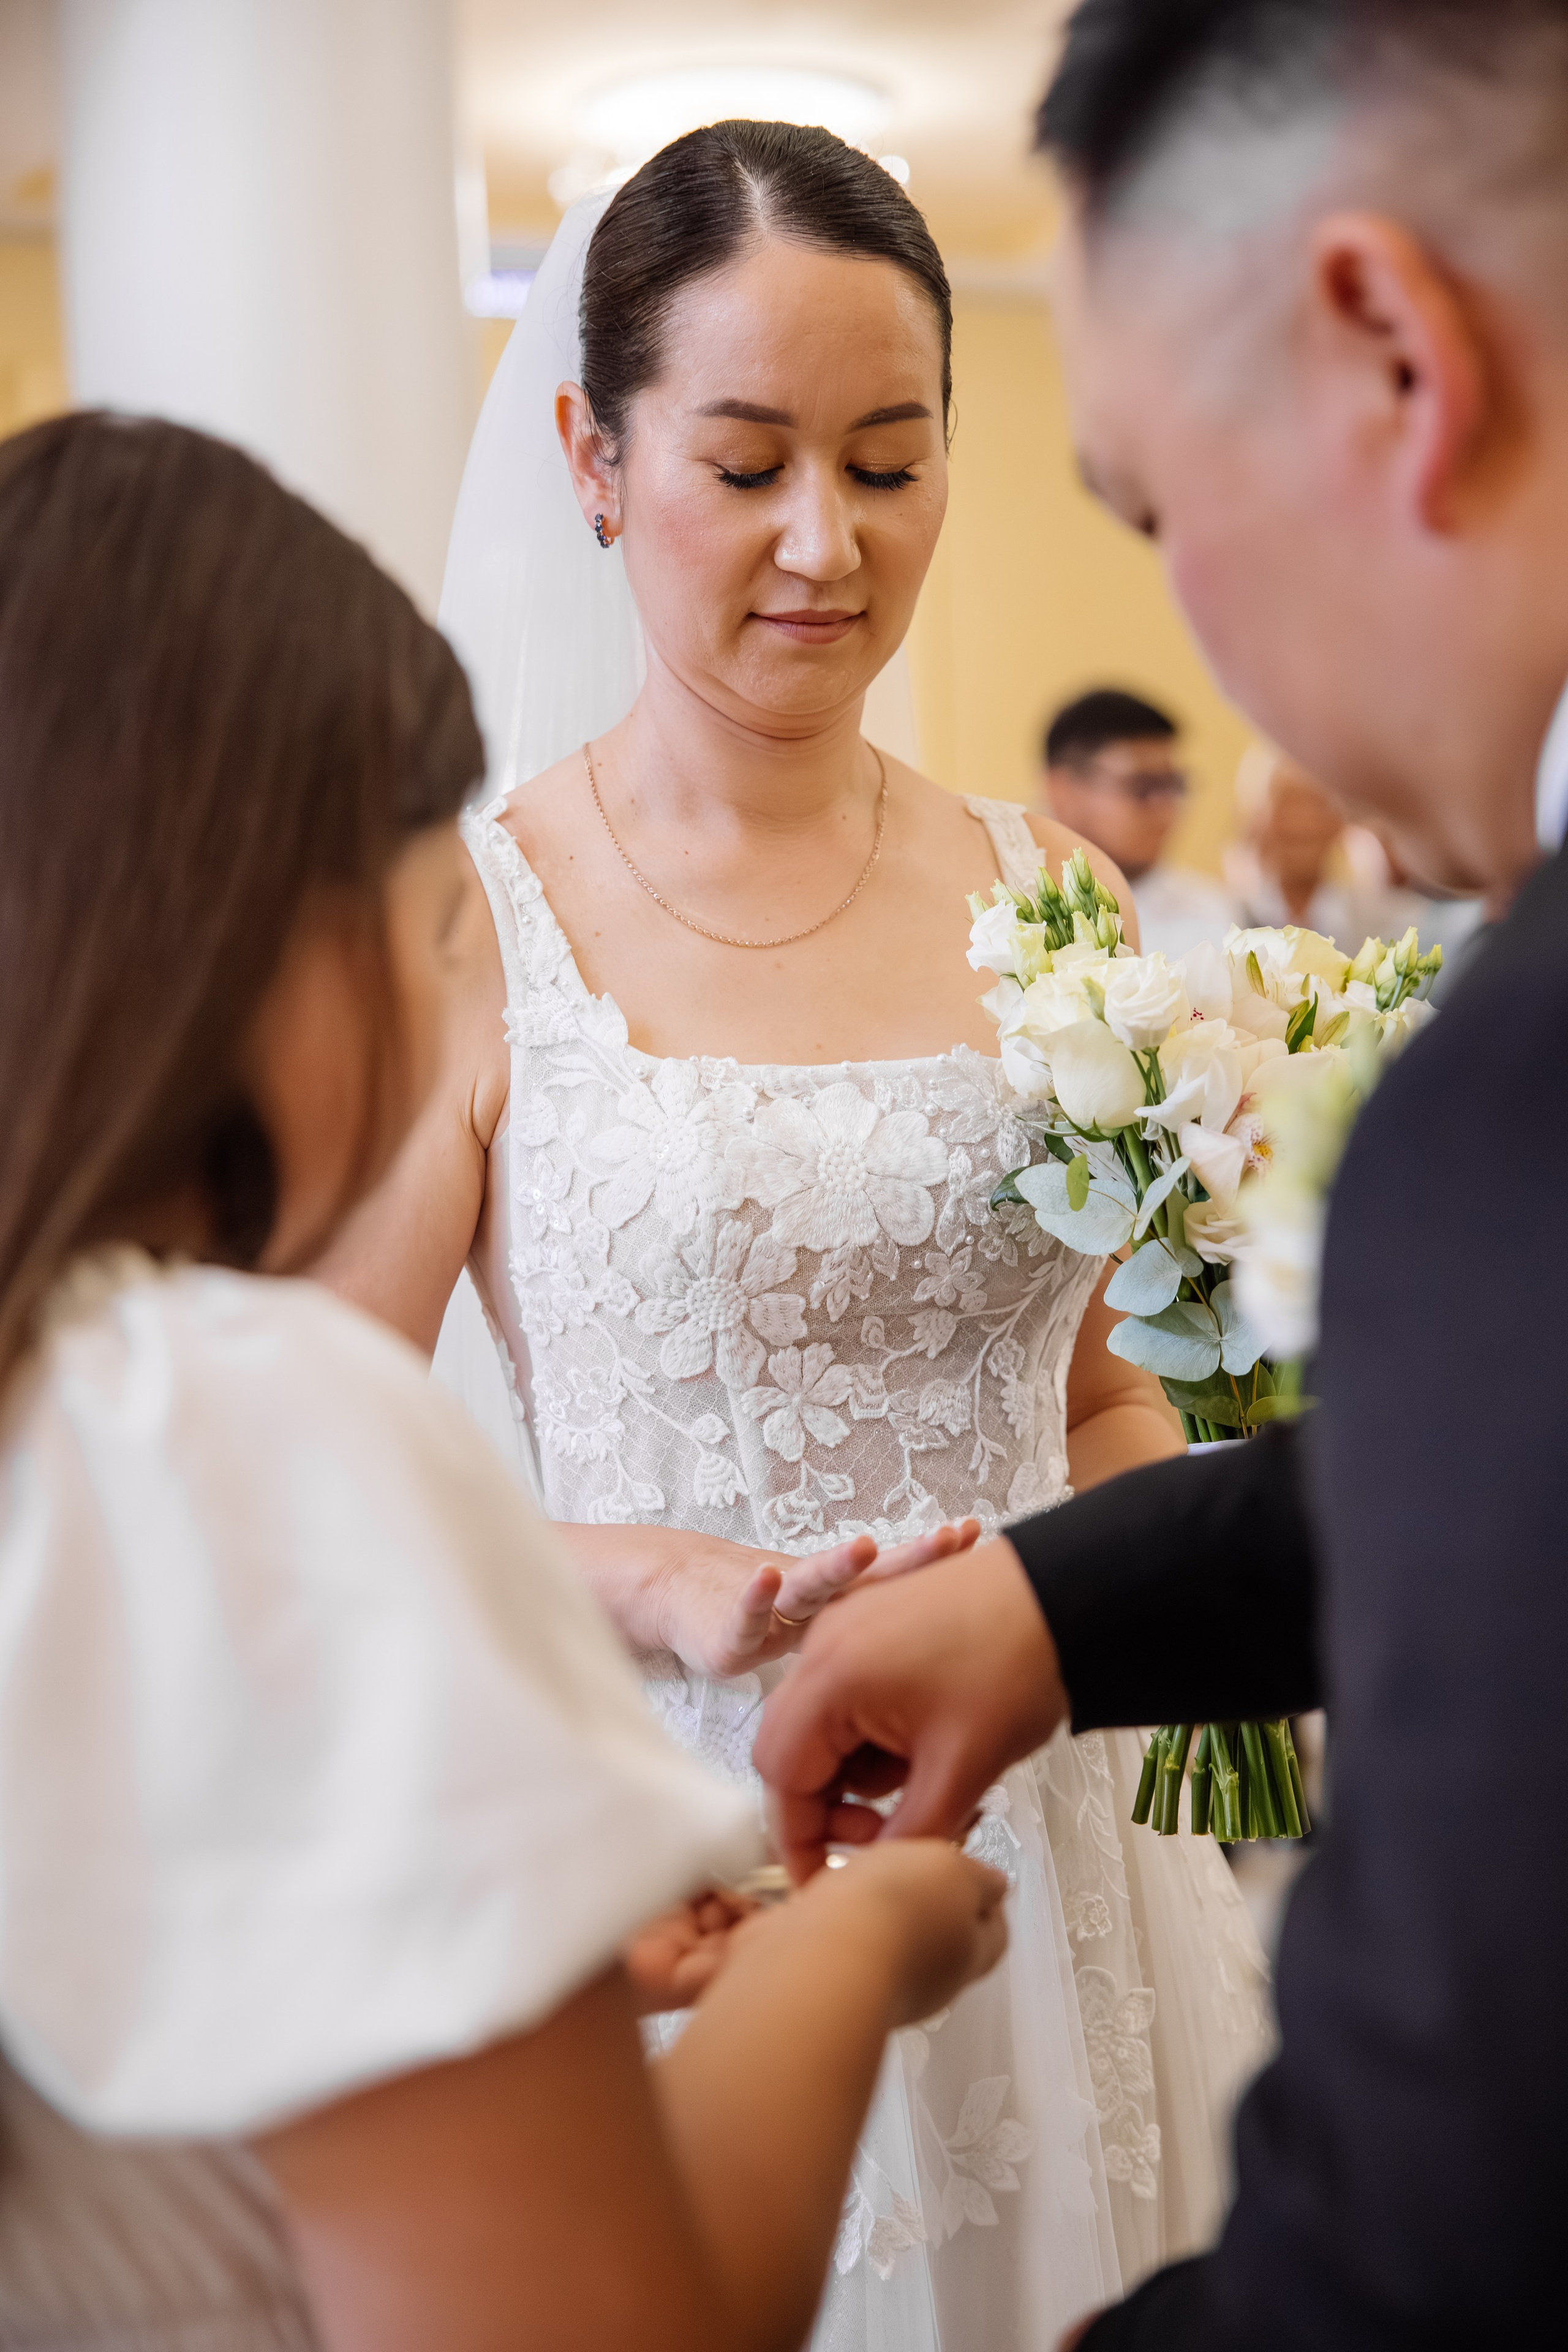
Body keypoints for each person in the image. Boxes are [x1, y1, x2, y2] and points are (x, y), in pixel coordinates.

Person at [320, 123, 1273, 2350]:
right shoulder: (462, 919)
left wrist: (1226, 1608)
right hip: (696, 1867)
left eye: (887, 458)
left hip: (1064, 1829)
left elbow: (1098, 1388)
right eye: (742, 465)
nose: (823, 544)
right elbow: (327, 1476)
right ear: (590, 454)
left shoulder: (1048, 886)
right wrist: (651, 1577)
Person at [0, 410, 1010, 2352]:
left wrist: (513, 1962)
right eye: (425, 908)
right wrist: (850, 1956)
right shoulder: (236, 1423)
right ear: (265, 927)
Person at [754, 1, 1568, 2343]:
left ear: (1384, 354)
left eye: (1148, 507)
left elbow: (1443, 2241)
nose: (1184, 617)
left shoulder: (1505, 1114)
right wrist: (1052, 1603)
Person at [1041, 687, 1240, 957]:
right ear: (1063, 791)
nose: (1165, 808)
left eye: (1172, 785)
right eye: (1143, 786)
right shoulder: (1009, 916)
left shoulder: (1213, 914)